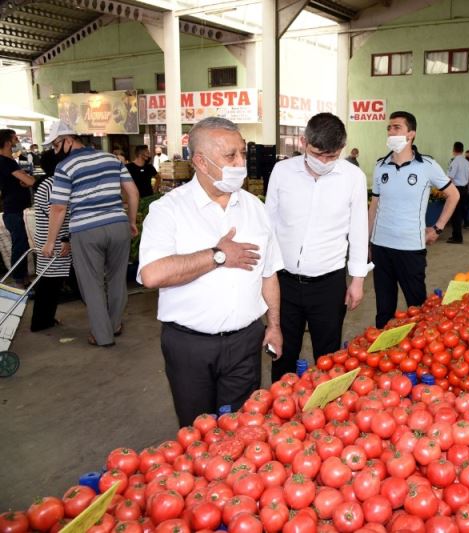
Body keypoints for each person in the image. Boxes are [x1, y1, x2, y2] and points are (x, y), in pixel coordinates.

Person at [138, 117, 283, 427]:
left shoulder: (255, 208)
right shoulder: (168, 211)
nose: (241, 163)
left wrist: (274, 325)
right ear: (200, 162)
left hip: (246, 341)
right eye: (230, 156)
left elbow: (268, 273)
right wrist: (217, 256)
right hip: (190, 346)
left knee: (242, 429)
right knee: (197, 431)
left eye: (242, 154)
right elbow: (152, 274)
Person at [266, 113, 369, 382]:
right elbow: (269, 225)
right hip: (284, 283)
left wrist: (357, 279)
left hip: (328, 284)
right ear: (303, 142)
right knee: (283, 354)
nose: (324, 162)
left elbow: (358, 230)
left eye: (332, 156)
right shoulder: (282, 172)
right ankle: (281, 409)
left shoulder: (353, 177)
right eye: (318, 154)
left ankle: (325, 413)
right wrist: (265, 276)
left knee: (328, 356)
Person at [42, 121, 140, 347]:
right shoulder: (111, 159)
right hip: (118, 225)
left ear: (68, 140)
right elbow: (132, 192)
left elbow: (58, 207)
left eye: (56, 145)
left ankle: (102, 336)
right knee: (117, 280)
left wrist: (50, 242)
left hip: (86, 230)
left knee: (91, 283)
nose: (55, 151)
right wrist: (131, 221)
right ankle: (114, 325)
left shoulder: (65, 167)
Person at [369, 111, 460, 328]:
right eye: (389, 128)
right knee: (383, 309)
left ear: (411, 134)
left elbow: (453, 195)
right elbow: (374, 207)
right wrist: (367, 242)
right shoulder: (381, 166)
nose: (391, 131)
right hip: (381, 247)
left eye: (396, 127)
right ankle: (384, 352)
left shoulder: (426, 165)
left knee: (417, 308)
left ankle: (418, 352)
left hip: (410, 248)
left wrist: (437, 228)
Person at [31, 148, 72, 332]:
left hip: (53, 240)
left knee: (51, 283)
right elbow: (56, 214)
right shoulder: (51, 185)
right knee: (49, 283)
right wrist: (64, 238)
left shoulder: (50, 183)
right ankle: (40, 322)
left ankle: (44, 320)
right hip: (54, 242)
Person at [0, 129, 35, 287]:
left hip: (14, 209)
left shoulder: (9, 161)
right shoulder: (5, 162)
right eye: (14, 138)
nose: (17, 141)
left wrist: (25, 180)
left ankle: (24, 279)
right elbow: (29, 181)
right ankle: (18, 280)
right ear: (7, 142)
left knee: (23, 245)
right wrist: (28, 179)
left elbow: (22, 181)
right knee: (20, 245)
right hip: (13, 210)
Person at [446, 141, 469, 244]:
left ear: (454, 150)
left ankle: (457, 237)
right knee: (459, 214)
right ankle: (456, 235)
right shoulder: (467, 162)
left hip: (457, 190)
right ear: (462, 150)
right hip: (465, 189)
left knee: (455, 214)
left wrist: (446, 190)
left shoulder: (455, 162)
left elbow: (450, 177)